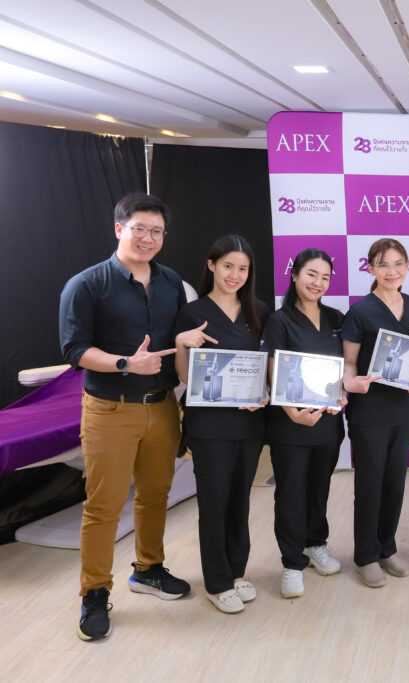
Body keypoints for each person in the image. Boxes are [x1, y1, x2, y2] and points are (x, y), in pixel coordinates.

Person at [59, 193, 209, 641]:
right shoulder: (86, 284)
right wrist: (126, 363)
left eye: (156, 231)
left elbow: (175, 339)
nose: (148, 238)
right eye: (139, 229)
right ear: (119, 229)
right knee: (103, 506)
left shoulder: (171, 282)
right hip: (109, 408)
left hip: (161, 406)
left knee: (155, 494)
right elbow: (74, 350)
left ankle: (148, 569)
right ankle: (94, 592)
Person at [173, 235, 270, 613]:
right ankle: (217, 582)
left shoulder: (258, 312)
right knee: (214, 502)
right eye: (228, 266)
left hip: (249, 423)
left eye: (242, 268)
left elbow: (267, 368)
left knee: (240, 500)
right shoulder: (192, 312)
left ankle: (236, 571)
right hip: (209, 426)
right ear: (211, 265)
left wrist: (266, 392)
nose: (235, 275)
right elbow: (185, 376)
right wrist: (182, 343)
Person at [342, 238, 409, 587]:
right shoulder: (360, 311)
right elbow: (349, 363)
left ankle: (387, 548)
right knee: (370, 484)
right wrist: (351, 383)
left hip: (404, 409)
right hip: (370, 411)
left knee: (395, 482)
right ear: (370, 268)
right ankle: (365, 555)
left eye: (398, 264)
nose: (392, 271)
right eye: (383, 265)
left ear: (408, 266)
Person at [260, 248, 346, 599]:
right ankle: (292, 562)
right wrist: (291, 412)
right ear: (294, 275)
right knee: (291, 493)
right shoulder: (279, 321)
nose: (318, 283)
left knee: (319, 487)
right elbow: (272, 372)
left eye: (325, 277)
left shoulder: (336, 318)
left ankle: (315, 543)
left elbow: (345, 367)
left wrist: (343, 393)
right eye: (311, 274)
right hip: (290, 423)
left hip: (327, 422)